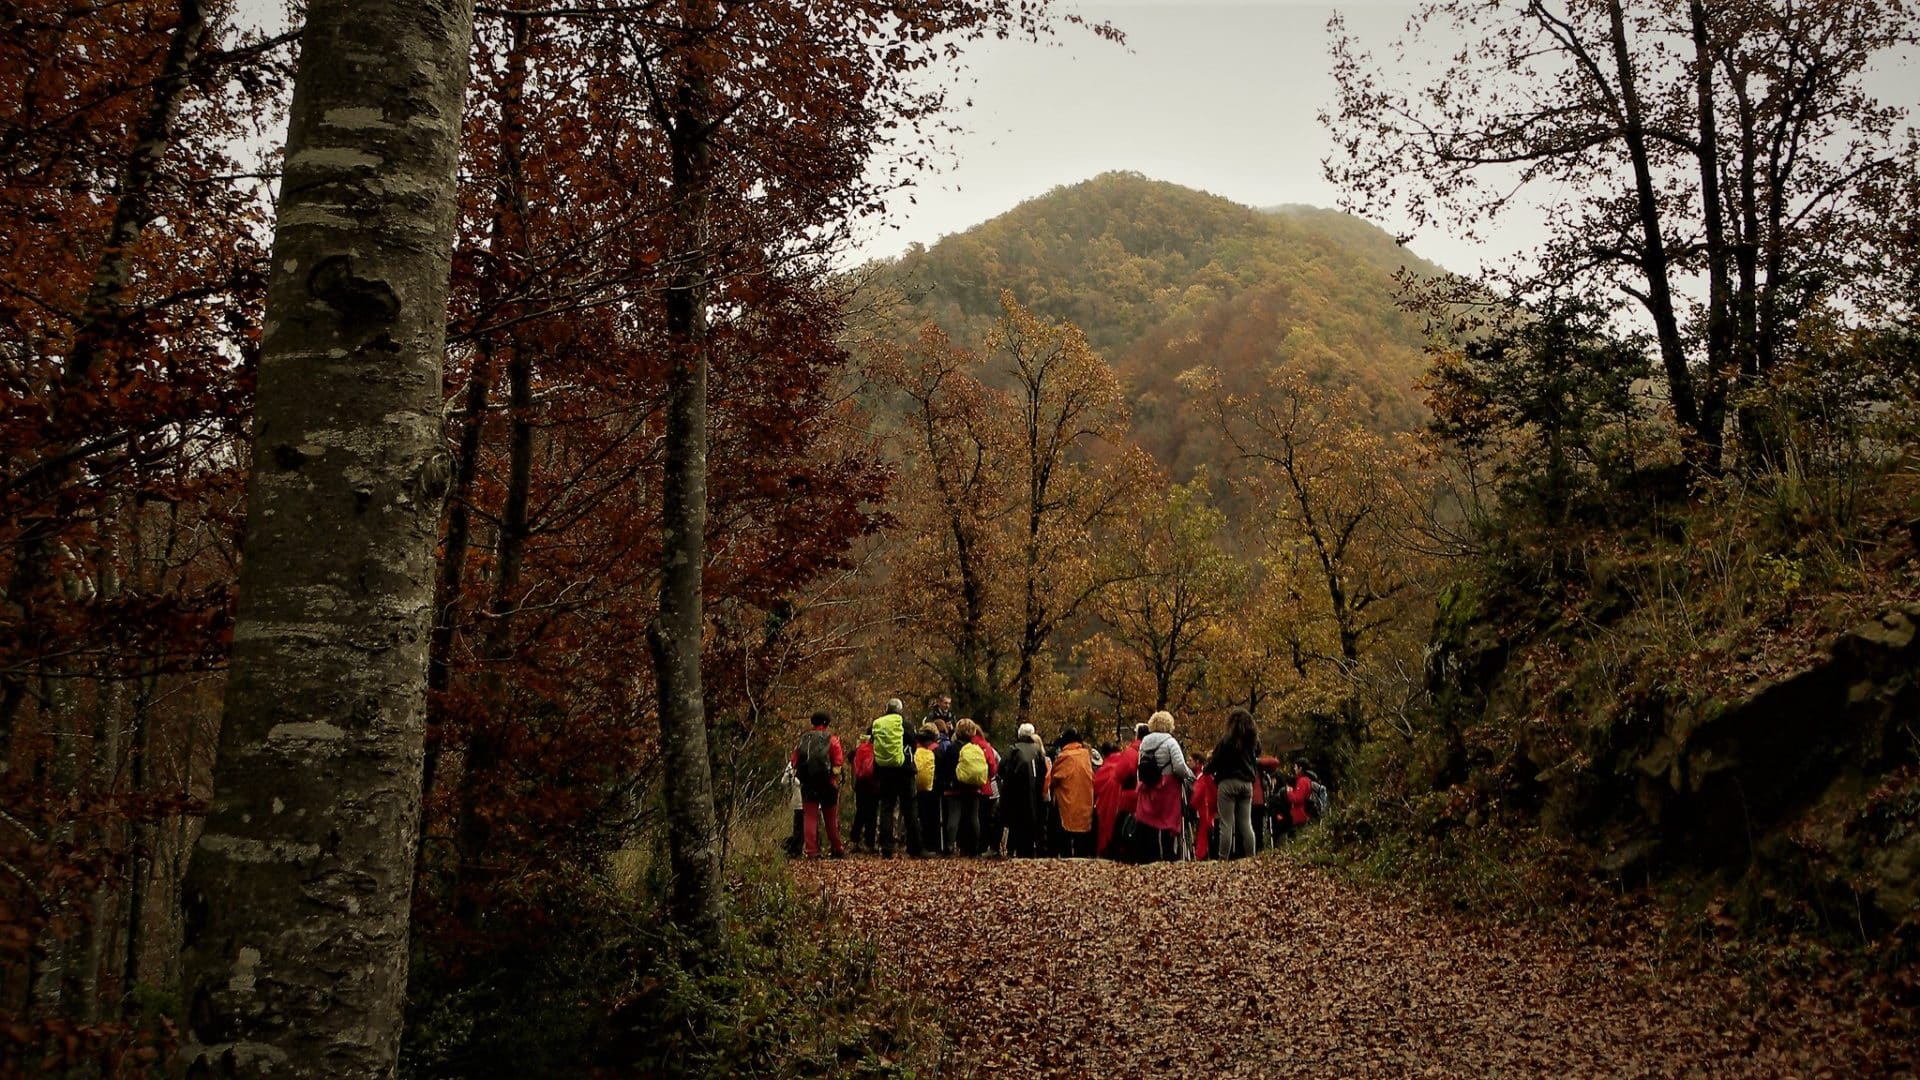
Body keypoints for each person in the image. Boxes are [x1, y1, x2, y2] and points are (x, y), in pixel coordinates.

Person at [1134, 711, 1193, 862]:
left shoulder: (1144, 742)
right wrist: (1190, 776)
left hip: (1148, 786)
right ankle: (1168, 856)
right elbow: (1179, 766)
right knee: (1167, 823)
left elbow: (1140, 764)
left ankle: (1150, 857)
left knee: (1151, 823)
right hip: (1168, 788)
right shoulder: (1170, 742)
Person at [1206, 708, 1260, 860]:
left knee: (1226, 823)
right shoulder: (1253, 742)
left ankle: (1223, 858)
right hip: (1247, 784)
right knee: (1246, 823)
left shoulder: (1226, 741)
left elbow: (1215, 761)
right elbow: (1257, 757)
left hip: (1228, 783)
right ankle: (1251, 857)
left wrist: (1206, 769)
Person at [791, 712, 847, 858]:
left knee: (809, 817)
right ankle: (837, 848)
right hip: (827, 784)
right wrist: (834, 778)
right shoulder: (832, 740)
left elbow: (794, 760)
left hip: (808, 784)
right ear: (827, 723)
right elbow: (838, 762)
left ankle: (811, 851)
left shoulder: (804, 739)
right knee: (831, 818)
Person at [869, 698, 920, 858]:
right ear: (900, 710)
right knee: (909, 809)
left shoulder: (877, 724)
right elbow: (913, 743)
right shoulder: (906, 724)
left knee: (886, 808)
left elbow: (871, 742)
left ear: (886, 709)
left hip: (884, 771)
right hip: (904, 771)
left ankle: (887, 848)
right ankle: (915, 848)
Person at [1093, 724, 1145, 859]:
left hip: (1125, 799)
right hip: (1144, 796)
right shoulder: (1146, 751)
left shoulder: (1129, 753)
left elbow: (1099, 784)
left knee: (1119, 826)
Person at [942, 718, 992, 855]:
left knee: (954, 817)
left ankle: (950, 846)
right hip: (973, 787)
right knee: (973, 817)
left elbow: (945, 768)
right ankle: (974, 848)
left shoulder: (953, 748)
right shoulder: (976, 748)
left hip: (954, 788)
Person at [1000, 723, 1049, 858]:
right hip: (1034, 793)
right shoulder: (1037, 751)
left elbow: (1001, 767)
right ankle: (1028, 851)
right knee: (1030, 823)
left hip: (1014, 793)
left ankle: (1012, 850)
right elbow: (1043, 771)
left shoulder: (1013, 749)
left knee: (1015, 823)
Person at [1046, 727, 1097, 857]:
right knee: (1082, 841)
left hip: (1067, 805)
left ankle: (1066, 856)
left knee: (1065, 839)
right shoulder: (1086, 755)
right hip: (1085, 803)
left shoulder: (1064, 757)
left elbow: (1053, 778)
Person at [915, 724, 942, 854]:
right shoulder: (937, 749)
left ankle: (919, 844)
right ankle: (934, 845)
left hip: (917, 787)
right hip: (934, 787)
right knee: (933, 817)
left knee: (919, 815)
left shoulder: (915, 748)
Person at [850, 734, 878, 853]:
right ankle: (870, 843)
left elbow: (851, 757)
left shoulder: (861, 748)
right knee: (872, 813)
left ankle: (855, 840)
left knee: (860, 812)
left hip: (860, 784)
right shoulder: (878, 749)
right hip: (874, 784)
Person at [1285, 759, 1314, 835]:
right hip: (1300, 816)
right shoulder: (1304, 780)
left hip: (1299, 816)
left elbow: (1297, 799)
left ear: (1300, 768)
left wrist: (1289, 791)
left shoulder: (1302, 781)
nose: (1294, 769)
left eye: (1295, 767)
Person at [782, 761, 804, 858]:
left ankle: (796, 850)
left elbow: (784, 782)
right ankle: (814, 848)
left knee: (798, 827)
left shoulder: (792, 764)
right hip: (813, 801)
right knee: (813, 826)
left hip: (798, 802)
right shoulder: (813, 759)